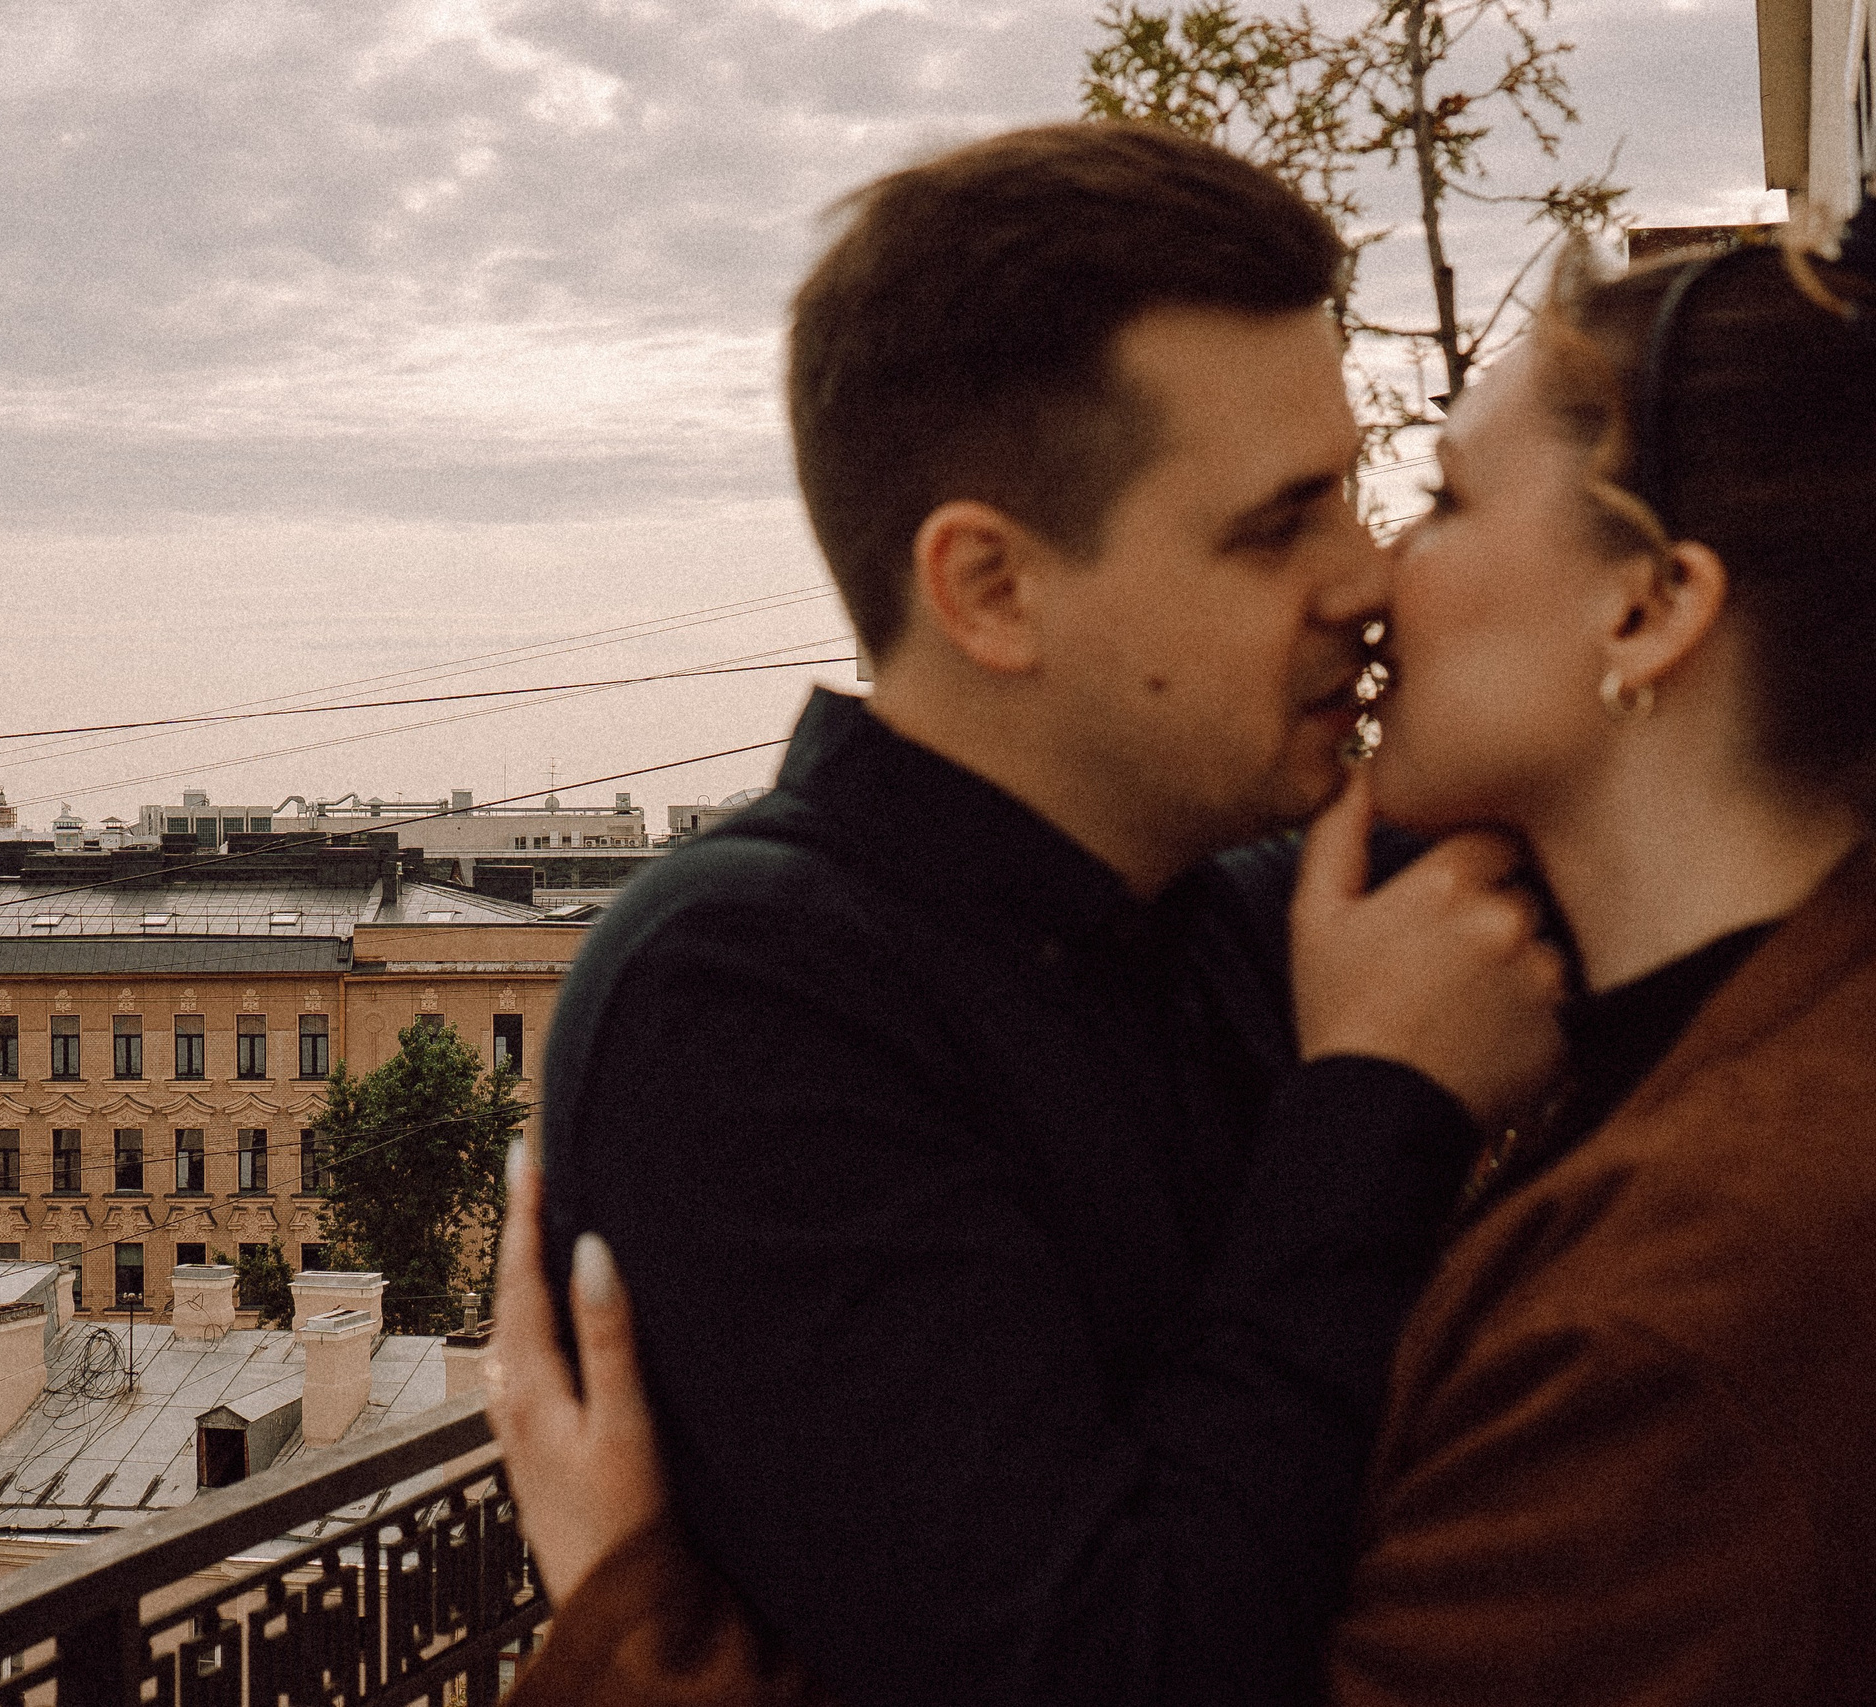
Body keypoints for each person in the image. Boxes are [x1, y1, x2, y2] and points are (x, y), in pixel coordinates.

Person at [493, 199, 1876, 1702]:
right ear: (991, 590)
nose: (1368, 580)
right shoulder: (749, 994)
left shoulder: (1267, 914)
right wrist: (1374, 1108)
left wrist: (636, 1650)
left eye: (1377, 493)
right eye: (1282, 523)